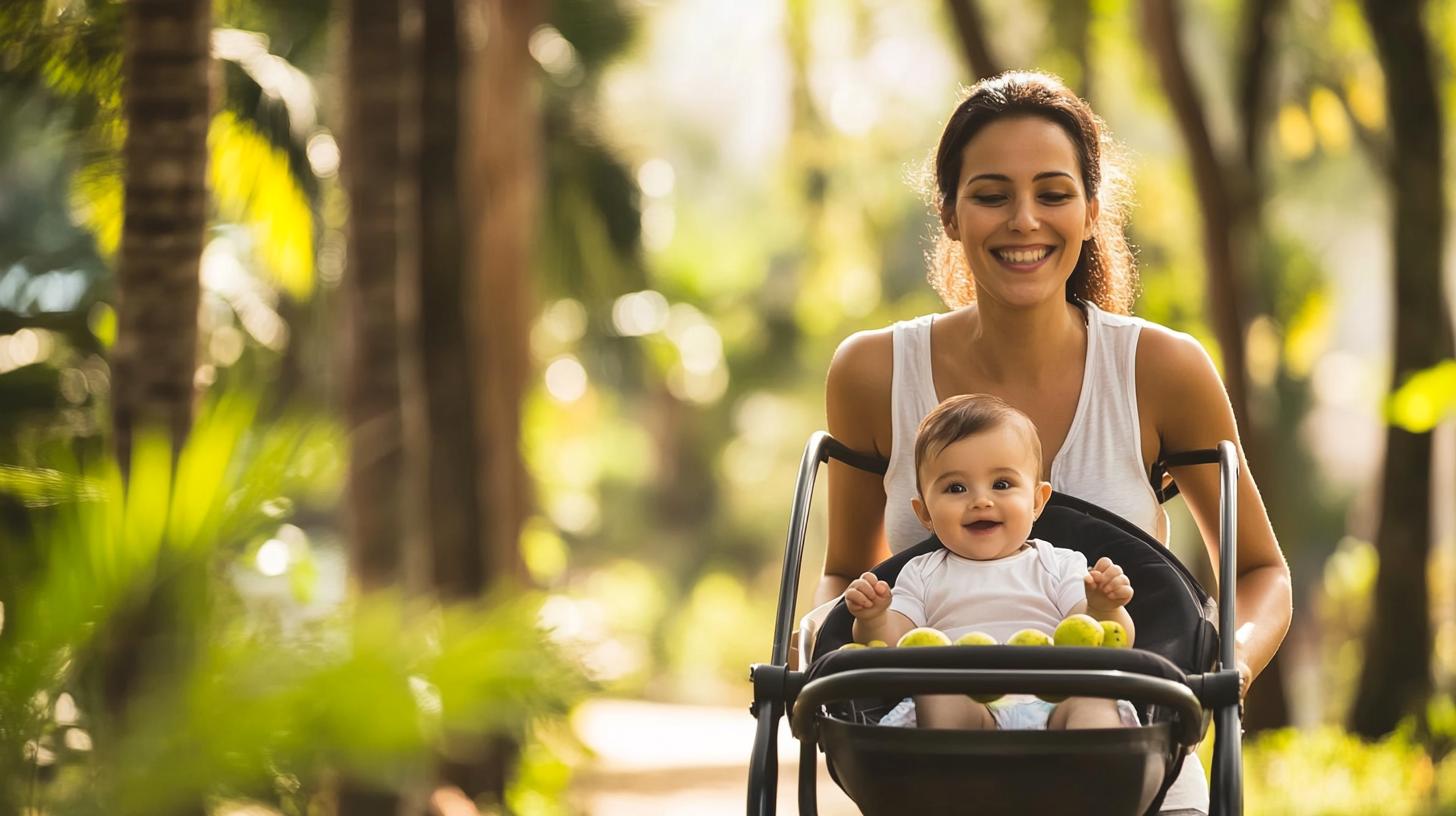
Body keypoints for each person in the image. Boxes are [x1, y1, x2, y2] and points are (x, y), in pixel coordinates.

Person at [817, 71, 1291, 815]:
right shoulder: (873, 372)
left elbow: (1262, 571)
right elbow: (844, 570)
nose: (1024, 220)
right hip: (937, 776)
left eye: (1053, 193)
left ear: (1092, 210)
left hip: (1121, 767)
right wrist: (816, 632)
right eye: (992, 194)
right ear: (948, 213)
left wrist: (1221, 668)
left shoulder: (1162, 369)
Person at [846, 393, 1137, 731]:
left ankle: (1094, 772)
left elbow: (1106, 641)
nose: (981, 501)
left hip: (1056, 697)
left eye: (1001, 484)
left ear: (1037, 501)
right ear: (925, 512)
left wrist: (1102, 608)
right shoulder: (922, 573)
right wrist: (873, 618)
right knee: (938, 692)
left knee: (1093, 694)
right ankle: (953, 776)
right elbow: (895, 646)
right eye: (955, 488)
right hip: (964, 703)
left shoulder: (1059, 564)